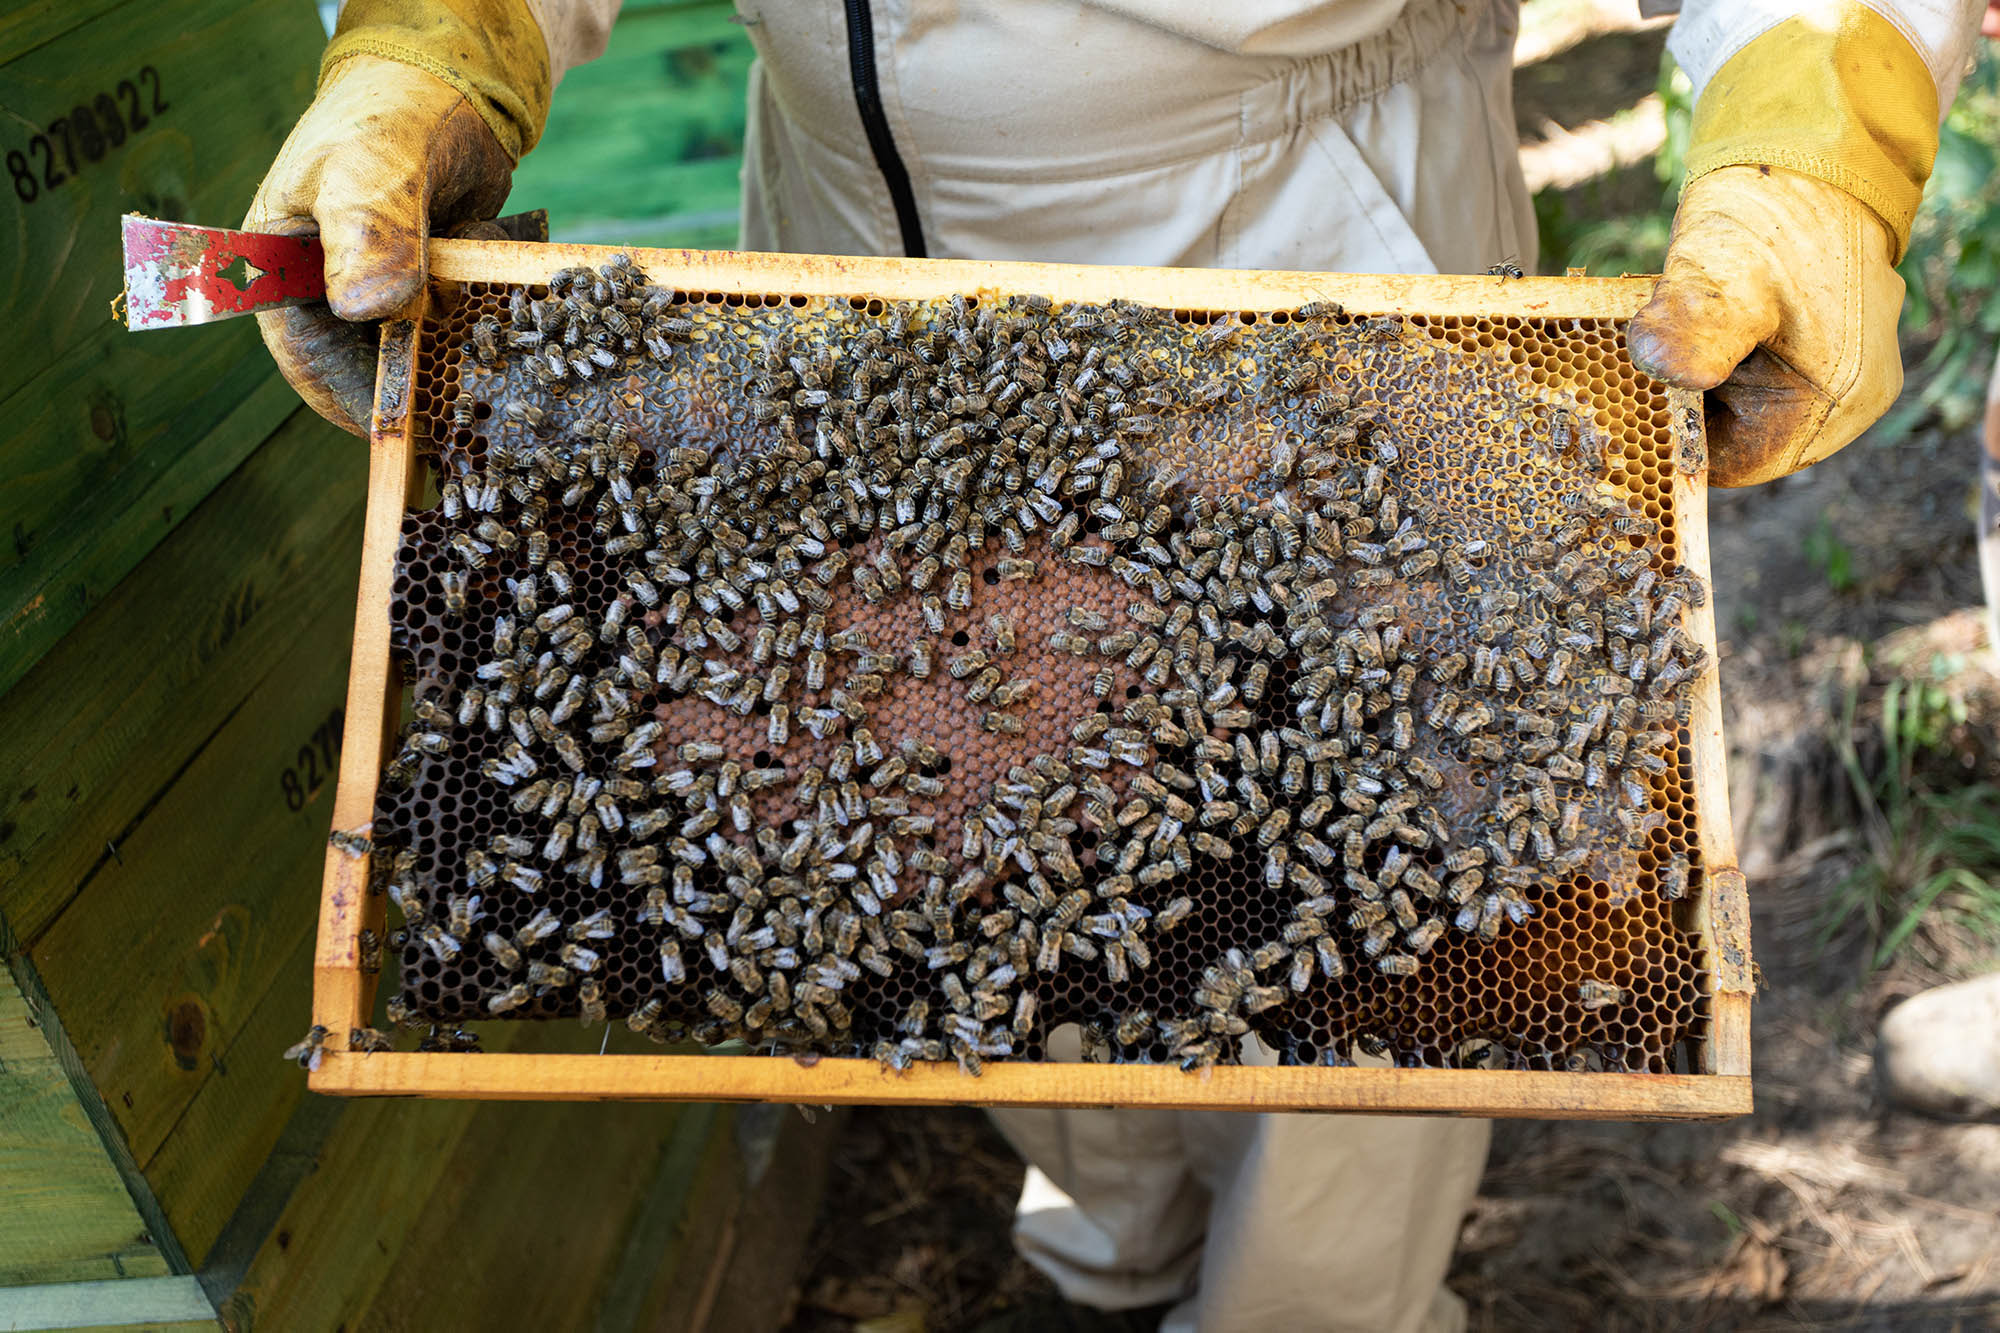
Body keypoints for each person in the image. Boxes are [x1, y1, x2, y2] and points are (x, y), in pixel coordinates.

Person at [249, 2, 1988, 1328]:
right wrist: (428, 47)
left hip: (1304, 234)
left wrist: (1807, 152)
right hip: (851, 278)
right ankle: (1119, 1232)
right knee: (939, 844)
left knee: (1356, 900)